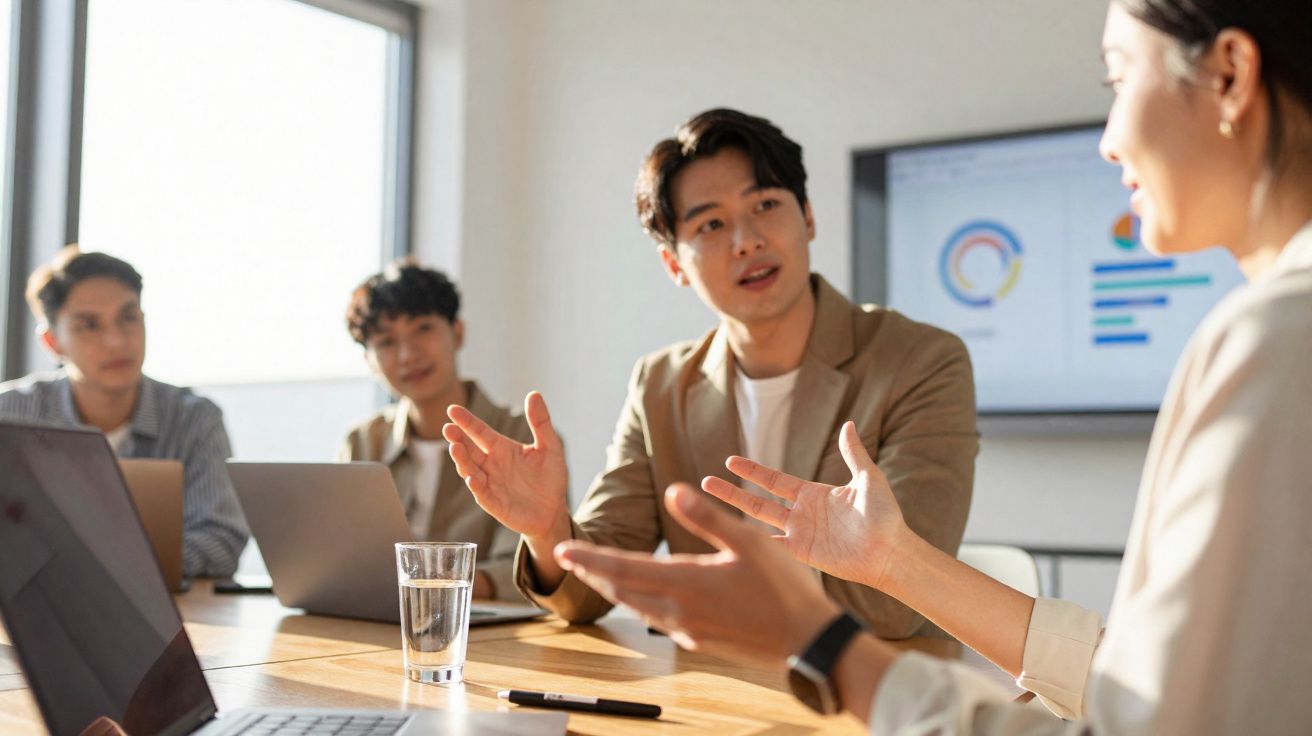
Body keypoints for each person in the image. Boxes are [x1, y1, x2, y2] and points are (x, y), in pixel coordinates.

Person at [552, 1, 1312, 732]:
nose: (1109, 141)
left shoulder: (1276, 335)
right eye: (711, 225)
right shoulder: (1274, 328)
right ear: (673, 262)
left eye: (1118, 80)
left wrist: (820, 642)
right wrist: (891, 560)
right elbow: (1138, 681)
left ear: (1231, 75)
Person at [443, 108, 979, 636]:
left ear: (808, 217)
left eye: (766, 204)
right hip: (713, 688)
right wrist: (547, 529)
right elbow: (591, 586)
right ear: (674, 265)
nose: (746, 239)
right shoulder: (659, 384)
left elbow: (900, 596)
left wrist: (703, 603)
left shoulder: (922, 361)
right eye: (711, 224)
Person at [0, 246, 248, 578]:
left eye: (128, 317)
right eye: (89, 325)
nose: (117, 341)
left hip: (168, 617)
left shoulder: (194, 418)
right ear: (52, 342)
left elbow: (222, 542)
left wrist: (105, 568)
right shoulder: (9, 413)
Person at [341, 260, 529, 600]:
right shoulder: (362, 443)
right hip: (378, 625)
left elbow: (525, 567)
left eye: (423, 328)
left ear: (457, 333)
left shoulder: (518, 434)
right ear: (369, 362)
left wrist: (434, 593)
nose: (407, 354)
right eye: (385, 342)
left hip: (484, 632)